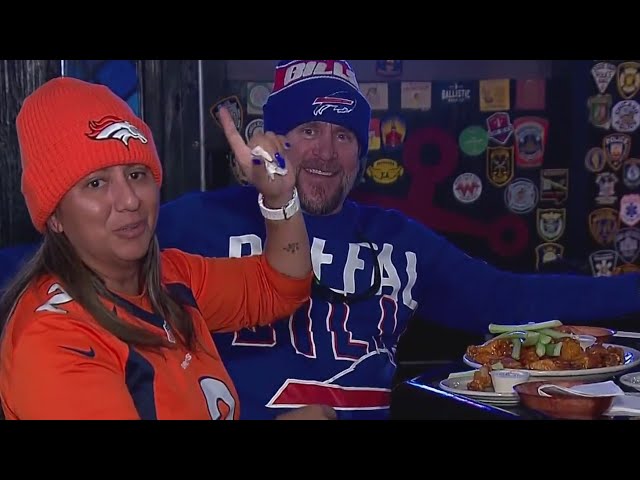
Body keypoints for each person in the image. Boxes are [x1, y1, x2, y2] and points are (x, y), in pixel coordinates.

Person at [156, 60, 640, 420]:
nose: (326, 151)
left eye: (344, 135)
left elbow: (510, 299)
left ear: (361, 155)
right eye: (308, 130)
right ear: (271, 141)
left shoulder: (395, 239)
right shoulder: (196, 222)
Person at [0, 76, 328, 420]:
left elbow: (280, 286)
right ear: (54, 217)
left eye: (137, 174)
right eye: (96, 184)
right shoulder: (53, 340)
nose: (129, 200)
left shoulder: (170, 277)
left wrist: (279, 198)